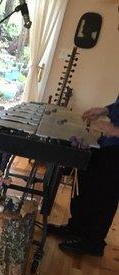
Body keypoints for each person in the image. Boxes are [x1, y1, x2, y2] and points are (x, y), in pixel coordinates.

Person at [49, 95, 119, 256]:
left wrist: (115, 130)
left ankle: (94, 242)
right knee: (85, 179)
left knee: (105, 196)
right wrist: (105, 110)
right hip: (108, 144)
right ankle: (76, 228)